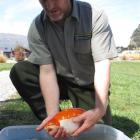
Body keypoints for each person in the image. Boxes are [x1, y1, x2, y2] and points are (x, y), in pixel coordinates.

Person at [10, 0, 118, 138]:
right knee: (21, 71)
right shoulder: (37, 26)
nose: (50, 6)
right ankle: (52, 122)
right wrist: (53, 116)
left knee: (97, 133)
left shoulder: (94, 16)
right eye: (43, 0)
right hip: (59, 79)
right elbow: (47, 71)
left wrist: (99, 109)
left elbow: (102, 63)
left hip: (88, 85)